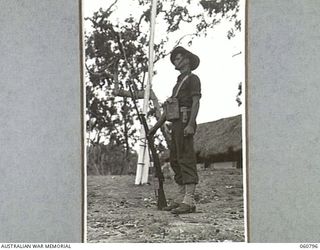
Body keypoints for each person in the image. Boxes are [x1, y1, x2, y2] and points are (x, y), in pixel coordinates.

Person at [148, 46, 201, 214]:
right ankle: (180, 197)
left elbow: (196, 102)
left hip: (185, 121)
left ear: (186, 59)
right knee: (175, 160)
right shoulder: (178, 83)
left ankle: (189, 200)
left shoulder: (193, 79)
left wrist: (191, 124)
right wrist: (155, 128)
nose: (175, 63)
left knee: (186, 158)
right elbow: (169, 110)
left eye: (177, 59)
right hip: (175, 124)